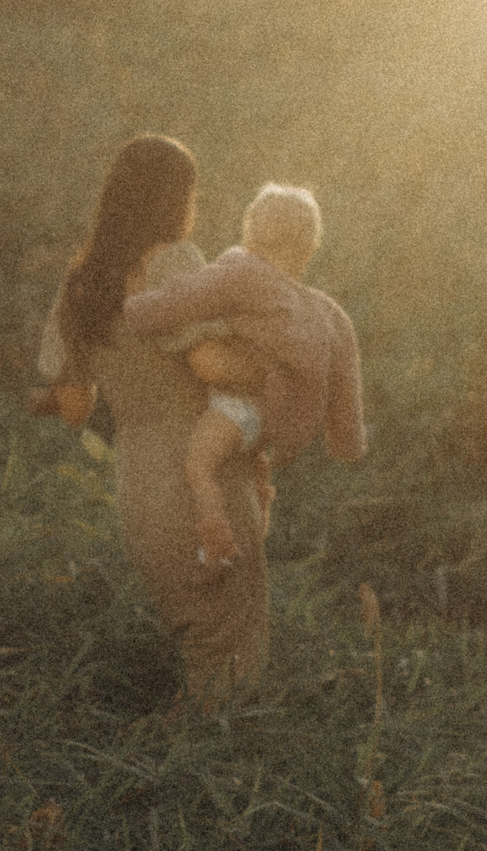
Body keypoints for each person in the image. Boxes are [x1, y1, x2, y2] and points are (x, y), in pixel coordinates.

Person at [32, 135, 272, 702]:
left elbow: (74, 408)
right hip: (202, 478)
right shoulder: (174, 263)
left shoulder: (80, 285)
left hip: (140, 488)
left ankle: (171, 773)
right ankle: (202, 780)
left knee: (201, 651)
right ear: (177, 199)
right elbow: (212, 364)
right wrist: (269, 367)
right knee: (234, 660)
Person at [124, 183, 367, 572]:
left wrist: (135, 309)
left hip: (239, 405)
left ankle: (216, 542)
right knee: (251, 469)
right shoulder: (327, 311)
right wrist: (347, 443)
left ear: (250, 231)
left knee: (199, 465)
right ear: (309, 248)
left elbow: (188, 296)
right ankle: (257, 524)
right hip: (275, 418)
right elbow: (346, 380)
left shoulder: (245, 273)